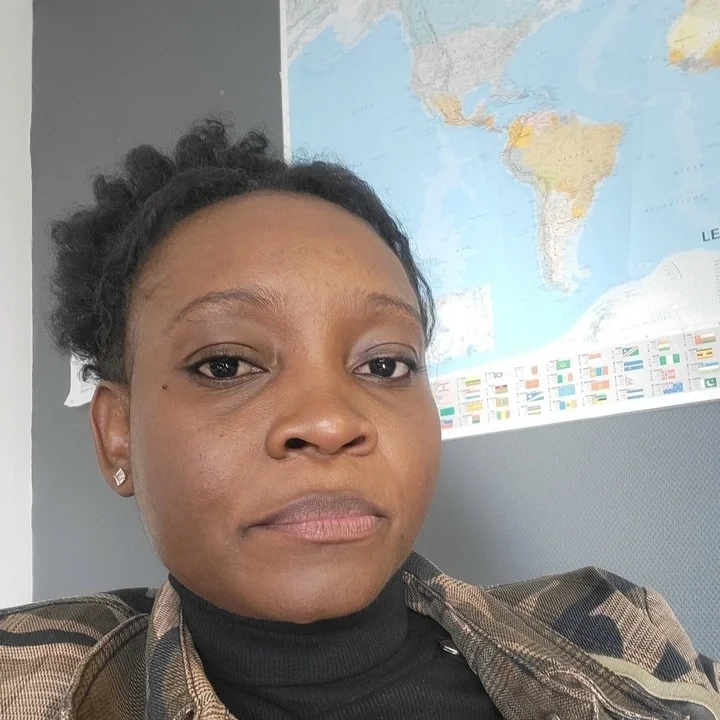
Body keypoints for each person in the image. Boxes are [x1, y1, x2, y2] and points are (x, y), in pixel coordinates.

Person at [0, 120, 718, 720]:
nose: (328, 421)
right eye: (225, 364)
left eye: (385, 365)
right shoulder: (27, 680)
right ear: (117, 434)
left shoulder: (619, 630)